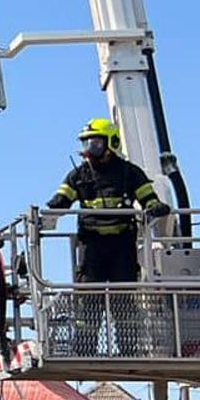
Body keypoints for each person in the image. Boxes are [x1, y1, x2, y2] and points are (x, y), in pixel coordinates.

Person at [46, 118, 166, 286]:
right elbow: (63, 197)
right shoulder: (79, 175)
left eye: (95, 144)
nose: (89, 150)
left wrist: (155, 206)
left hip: (122, 241)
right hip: (91, 241)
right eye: (86, 144)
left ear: (112, 143)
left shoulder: (129, 172)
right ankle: (88, 314)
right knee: (89, 292)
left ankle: (125, 313)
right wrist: (57, 204)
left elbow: (147, 197)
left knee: (124, 290)